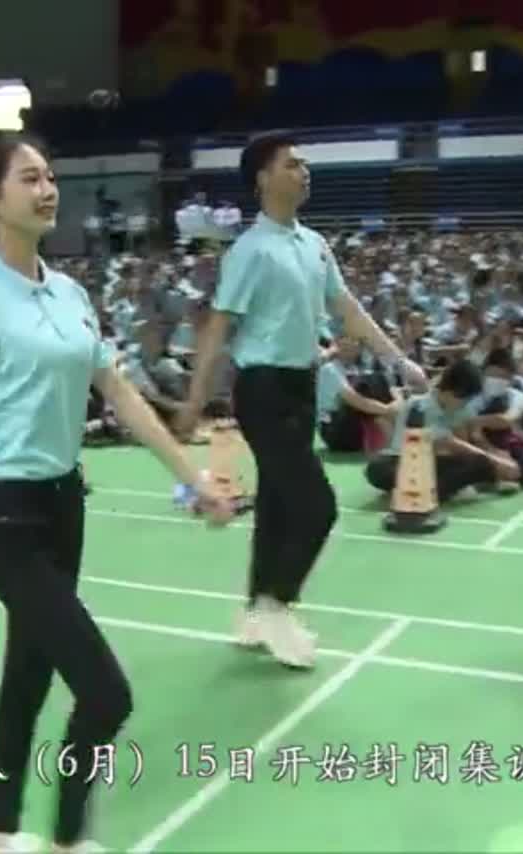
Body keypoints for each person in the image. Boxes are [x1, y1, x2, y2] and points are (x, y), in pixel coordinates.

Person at [0, 134, 233, 854]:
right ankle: (67, 837)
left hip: (63, 507)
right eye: (29, 179)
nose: (47, 189)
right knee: (107, 693)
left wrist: (194, 477)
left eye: (50, 176)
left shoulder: (70, 294)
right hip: (2, 515)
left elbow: (120, 393)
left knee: (28, 675)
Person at [174, 131, 428, 670]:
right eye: (292, 164)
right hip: (263, 388)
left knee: (277, 503)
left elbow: (347, 307)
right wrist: (195, 400)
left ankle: (254, 609)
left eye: (304, 163)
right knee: (317, 506)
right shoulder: (250, 250)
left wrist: (398, 359)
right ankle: (277, 604)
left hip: (302, 386)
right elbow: (219, 326)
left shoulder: (313, 244)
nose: (304, 170)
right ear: (263, 178)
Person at [363, 360, 504, 502]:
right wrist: (494, 461)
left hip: (433, 465)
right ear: (450, 392)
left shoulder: (459, 409)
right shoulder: (420, 406)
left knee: (479, 463)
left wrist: (488, 458)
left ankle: (427, 489)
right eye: (465, 399)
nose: (466, 404)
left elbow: (463, 444)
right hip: (402, 462)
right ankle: (437, 490)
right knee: (377, 469)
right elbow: (451, 443)